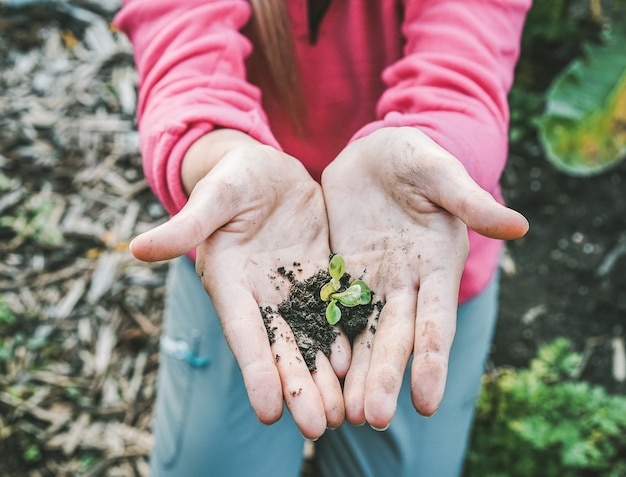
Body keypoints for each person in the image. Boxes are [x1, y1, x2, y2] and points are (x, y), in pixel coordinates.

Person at [114, 1, 531, 475]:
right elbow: (184, 59)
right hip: (246, 247)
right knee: (213, 462)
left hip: (415, 250)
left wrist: (433, 147)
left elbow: (463, 65)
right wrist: (215, 156)